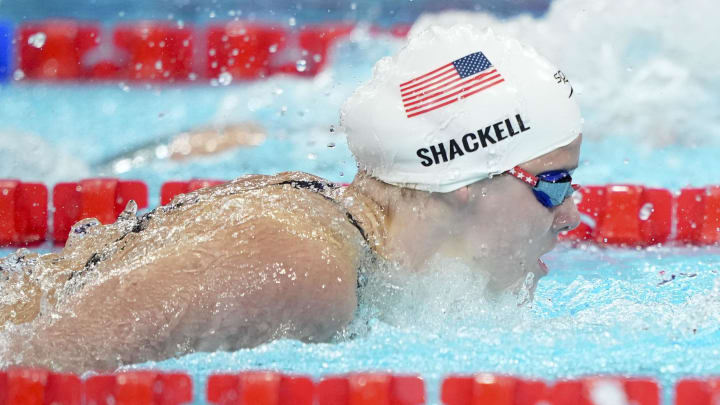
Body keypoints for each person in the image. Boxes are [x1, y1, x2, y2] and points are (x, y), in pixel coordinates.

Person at [0, 24, 582, 372]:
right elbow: (33, 367)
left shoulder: (338, 242)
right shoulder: (301, 264)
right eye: (554, 185)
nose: (571, 216)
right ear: (462, 183)